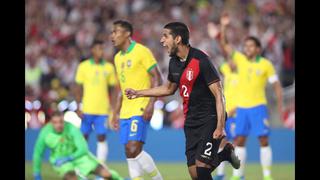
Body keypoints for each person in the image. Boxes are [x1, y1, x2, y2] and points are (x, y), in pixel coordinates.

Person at [125, 22, 240, 180]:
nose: (161, 40)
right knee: (195, 174)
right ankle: (225, 153)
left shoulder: (201, 60)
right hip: (191, 121)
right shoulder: (174, 63)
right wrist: (139, 93)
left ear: (178, 39)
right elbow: (168, 89)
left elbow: (219, 95)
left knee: (202, 169)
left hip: (209, 118)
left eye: (165, 36)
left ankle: (223, 153)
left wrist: (220, 126)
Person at [219, 14, 283, 180]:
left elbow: (275, 84)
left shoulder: (265, 64)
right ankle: (238, 174)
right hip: (242, 109)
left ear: (258, 49)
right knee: (239, 141)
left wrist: (280, 104)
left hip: (258, 107)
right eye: (245, 46)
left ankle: (267, 175)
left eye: (251, 46)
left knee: (263, 140)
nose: (247, 48)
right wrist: (224, 26)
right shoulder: (240, 60)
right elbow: (225, 44)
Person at [110, 20, 163, 180]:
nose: (112, 36)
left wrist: (151, 104)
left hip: (140, 106)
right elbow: (121, 88)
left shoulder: (141, 51)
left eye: (116, 32)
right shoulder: (117, 58)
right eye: (112, 32)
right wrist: (115, 113)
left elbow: (157, 78)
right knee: (128, 151)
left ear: (127, 34)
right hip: (125, 110)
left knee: (134, 148)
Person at [32, 111, 123, 180]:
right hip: (61, 162)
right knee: (72, 178)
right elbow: (38, 153)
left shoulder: (72, 128)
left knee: (107, 174)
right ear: (51, 122)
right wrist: (37, 173)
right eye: (55, 122)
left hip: (78, 157)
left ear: (64, 120)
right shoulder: (45, 133)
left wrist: (70, 157)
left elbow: (83, 148)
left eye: (61, 121)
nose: (59, 125)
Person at [74, 40, 118, 166]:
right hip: (87, 109)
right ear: (92, 50)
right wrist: (78, 107)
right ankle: (81, 166)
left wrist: (113, 108)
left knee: (102, 137)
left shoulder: (109, 67)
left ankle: (101, 167)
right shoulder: (83, 66)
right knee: (83, 138)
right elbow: (78, 88)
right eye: (99, 49)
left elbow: (114, 90)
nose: (101, 51)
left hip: (103, 110)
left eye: (102, 49)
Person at [213, 60, 239, 180]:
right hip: (225, 113)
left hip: (236, 114)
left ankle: (237, 175)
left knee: (237, 142)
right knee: (221, 141)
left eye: (234, 61)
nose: (231, 63)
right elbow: (218, 64)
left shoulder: (243, 76)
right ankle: (220, 174)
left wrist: (238, 108)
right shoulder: (227, 71)